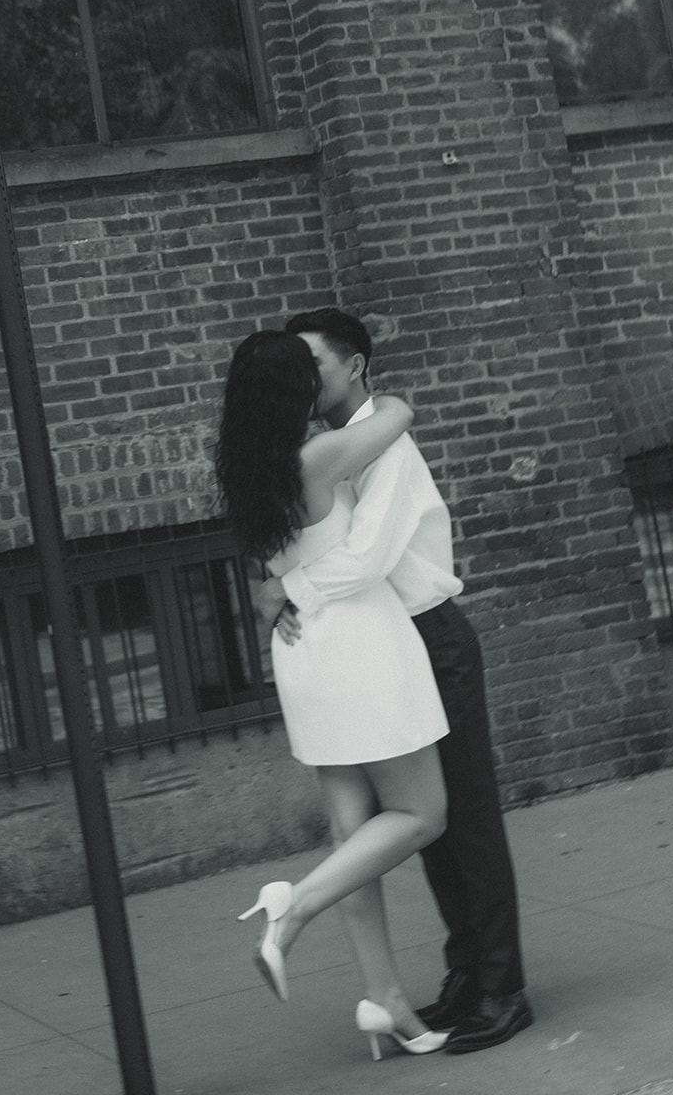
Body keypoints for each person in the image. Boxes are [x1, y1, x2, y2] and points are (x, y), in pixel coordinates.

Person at [266, 307, 534, 1056]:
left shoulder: (391, 448)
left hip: (430, 637)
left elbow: (371, 557)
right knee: (427, 829)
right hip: (383, 644)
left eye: (312, 364)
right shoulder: (338, 447)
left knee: (466, 819)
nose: (303, 380)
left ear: (353, 366)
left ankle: (502, 990)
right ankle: (467, 972)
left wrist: (295, 596)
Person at [216, 330, 452, 1062]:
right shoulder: (316, 457)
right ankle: (292, 912)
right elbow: (398, 415)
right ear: (297, 394)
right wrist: (358, 383)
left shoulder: (242, 470)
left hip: (302, 653)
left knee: (357, 838)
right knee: (423, 814)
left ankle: (384, 998)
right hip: (357, 644)